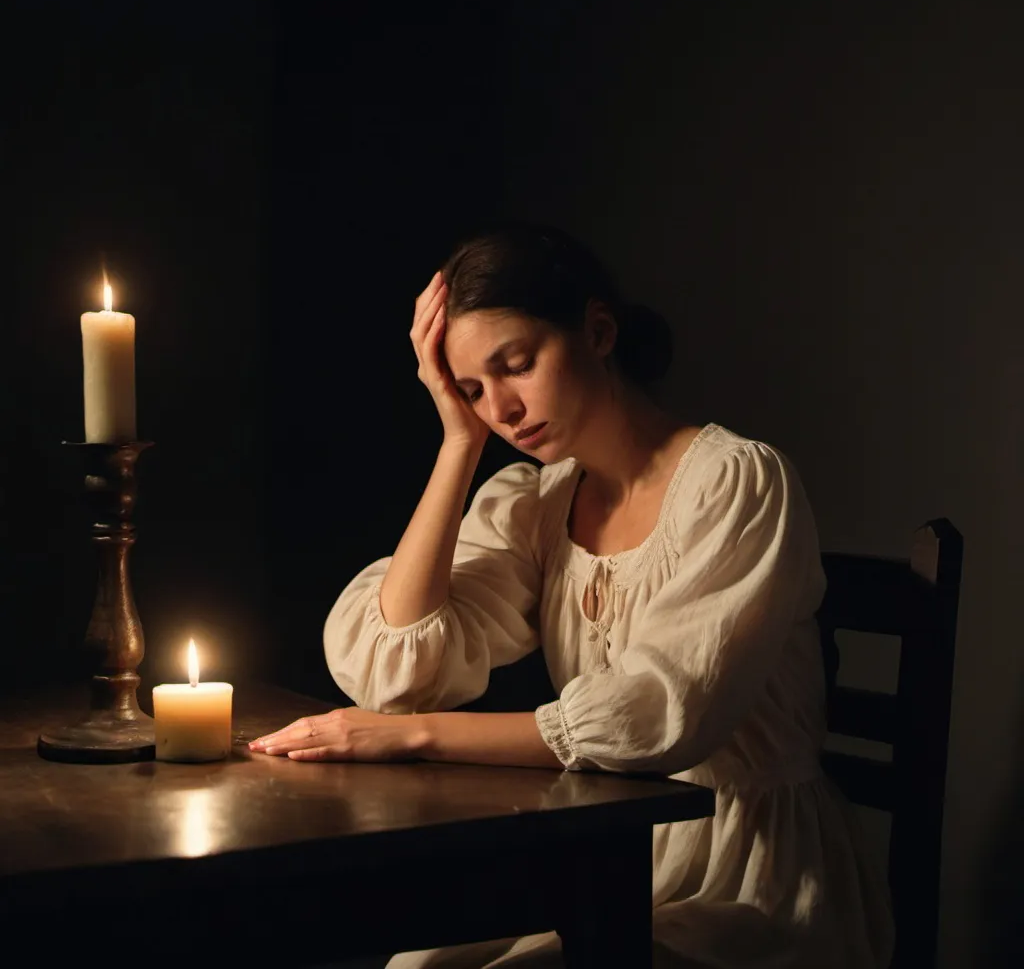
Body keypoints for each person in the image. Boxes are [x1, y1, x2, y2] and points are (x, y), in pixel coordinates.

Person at [250, 224, 894, 968]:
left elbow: (659, 717)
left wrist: (412, 736)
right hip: (613, 859)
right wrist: (457, 443)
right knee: (413, 965)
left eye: (515, 365)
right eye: (471, 390)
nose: (503, 408)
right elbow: (398, 671)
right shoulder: (538, 502)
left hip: (757, 877)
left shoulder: (738, 481)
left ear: (597, 330)